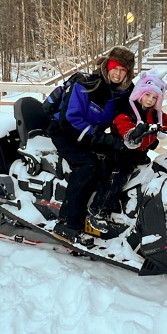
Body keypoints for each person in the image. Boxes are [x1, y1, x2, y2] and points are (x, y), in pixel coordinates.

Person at [47, 46, 135, 246]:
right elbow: (71, 119)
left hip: (89, 134)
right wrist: (101, 139)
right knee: (87, 165)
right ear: (107, 65)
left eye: (123, 70)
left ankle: (98, 214)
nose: (117, 74)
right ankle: (67, 224)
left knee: (113, 161)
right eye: (115, 68)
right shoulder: (87, 85)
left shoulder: (123, 93)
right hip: (64, 130)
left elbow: (138, 109)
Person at [87, 69, 167, 233]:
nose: (150, 100)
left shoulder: (153, 113)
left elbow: (166, 120)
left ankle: (136, 209)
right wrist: (131, 133)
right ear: (140, 93)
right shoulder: (128, 109)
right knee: (117, 178)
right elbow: (122, 123)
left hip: (139, 155)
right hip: (121, 153)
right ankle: (98, 210)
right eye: (147, 95)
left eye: (154, 97)